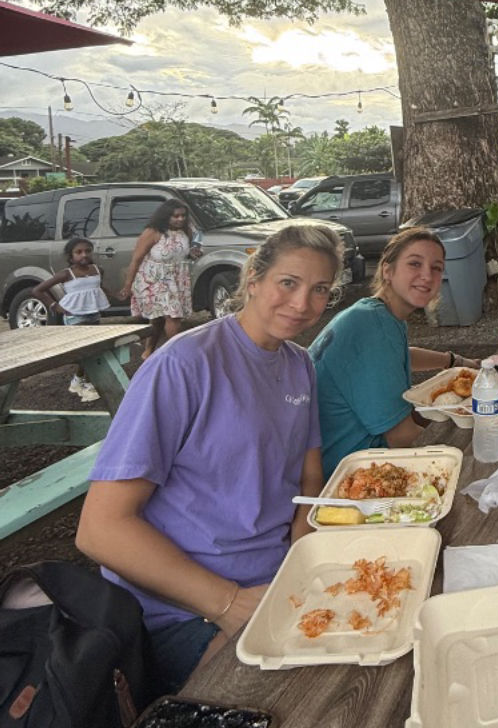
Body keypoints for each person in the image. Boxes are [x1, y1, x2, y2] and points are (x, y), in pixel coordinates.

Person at [76, 221, 343, 694]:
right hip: (188, 608)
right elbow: (100, 529)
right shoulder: (184, 364)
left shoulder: (299, 364)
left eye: (319, 289)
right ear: (253, 280)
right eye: (288, 283)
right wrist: (230, 604)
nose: (302, 303)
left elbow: (309, 482)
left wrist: (304, 566)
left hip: (278, 580)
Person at [309, 227, 479, 479]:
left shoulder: (372, 315)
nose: (427, 276)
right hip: (352, 474)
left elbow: (398, 355)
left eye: (436, 267)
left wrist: (454, 361)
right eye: (414, 264)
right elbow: (401, 436)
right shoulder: (372, 327)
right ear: (387, 271)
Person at [30, 235, 113, 402]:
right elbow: (37, 290)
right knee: (90, 351)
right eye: (79, 252)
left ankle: (77, 381)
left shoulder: (97, 270)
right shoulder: (66, 274)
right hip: (75, 315)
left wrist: (114, 294)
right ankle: (88, 385)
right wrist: (54, 306)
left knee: (92, 349)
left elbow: (98, 287)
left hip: (93, 313)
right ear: (71, 256)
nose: (84, 255)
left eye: (87, 251)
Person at [120, 199, 202, 358]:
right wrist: (128, 285)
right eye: (175, 216)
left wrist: (193, 253)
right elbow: (136, 259)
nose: (180, 219)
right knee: (173, 316)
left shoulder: (187, 231)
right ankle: (178, 354)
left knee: (158, 319)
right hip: (154, 279)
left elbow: (183, 253)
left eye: (183, 216)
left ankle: (148, 351)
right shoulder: (153, 232)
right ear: (166, 216)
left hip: (176, 278)